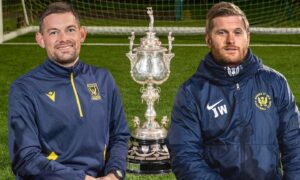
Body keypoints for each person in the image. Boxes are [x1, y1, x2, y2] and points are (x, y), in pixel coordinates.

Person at [167, 2, 300, 179]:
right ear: (208, 39)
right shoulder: (191, 92)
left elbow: (294, 144)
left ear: (248, 37)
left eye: (237, 32)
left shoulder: (275, 82)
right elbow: (185, 157)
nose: (231, 40)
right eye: (221, 32)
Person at [8, 2, 130, 180]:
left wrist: (115, 174)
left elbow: (119, 135)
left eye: (70, 30)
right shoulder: (25, 88)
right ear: (40, 40)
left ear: (82, 34)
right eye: (54, 32)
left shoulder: (103, 79)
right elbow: (25, 159)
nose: (63, 38)